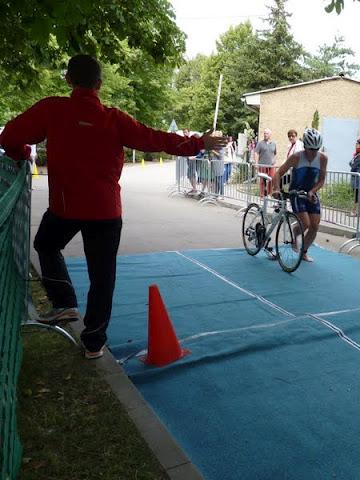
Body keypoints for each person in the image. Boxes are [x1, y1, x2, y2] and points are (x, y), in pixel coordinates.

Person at [0, 54, 227, 359]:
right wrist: (198, 143)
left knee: (46, 244)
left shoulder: (52, 109)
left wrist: (20, 152)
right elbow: (154, 139)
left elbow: (9, 136)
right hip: (106, 211)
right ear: (100, 84)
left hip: (65, 208)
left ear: (68, 80)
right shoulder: (114, 119)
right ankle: (94, 343)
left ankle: (64, 302)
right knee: (102, 277)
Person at [272, 128, 327, 263]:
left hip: (311, 192)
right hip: (296, 192)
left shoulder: (322, 159)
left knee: (315, 226)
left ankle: (304, 252)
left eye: (316, 150)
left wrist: (313, 191)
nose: (313, 153)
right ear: (305, 146)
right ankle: (294, 234)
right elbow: (278, 173)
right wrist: (277, 189)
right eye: (310, 149)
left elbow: (321, 180)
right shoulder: (296, 157)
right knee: (306, 223)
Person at [254, 128, 277, 196]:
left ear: (270, 135)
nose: (265, 135)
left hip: (271, 166)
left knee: (271, 179)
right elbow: (256, 153)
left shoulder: (273, 144)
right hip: (262, 165)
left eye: (266, 133)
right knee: (262, 181)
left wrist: (275, 162)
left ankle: (269, 194)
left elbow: (275, 154)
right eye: (264, 133)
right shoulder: (260, 143)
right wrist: (256, 163)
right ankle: (262, 195)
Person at [349, 138, 360, 214]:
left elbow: (353, 164)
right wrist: (352, 162)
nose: (356, 144)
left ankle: (356, 211)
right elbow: (351, 163)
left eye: (357, 143)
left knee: (357, 194)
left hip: (358, 177)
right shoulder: (357, 154)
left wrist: (352, 162)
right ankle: (355, 211)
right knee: (356, 194)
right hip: (356, 177)